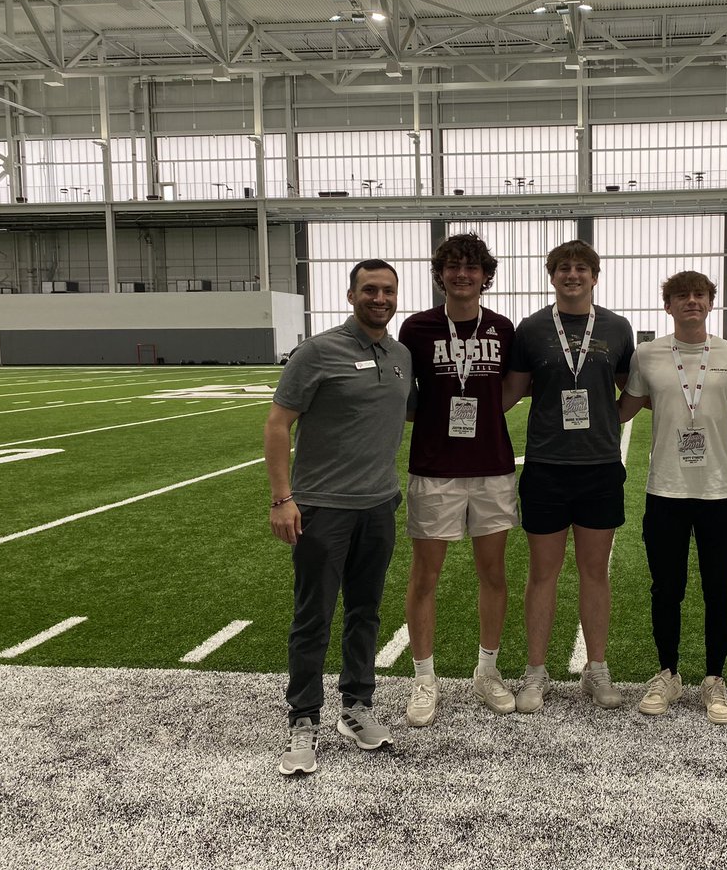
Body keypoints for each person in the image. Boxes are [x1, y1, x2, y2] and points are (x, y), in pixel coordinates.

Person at [265, 259, 412, 775]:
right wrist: (283, 499)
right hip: (322, 509)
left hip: (378, 505)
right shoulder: (318, 351)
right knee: (313, 617)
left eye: (388, 290)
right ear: (350, 295)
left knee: (365, 612)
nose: (380, 297)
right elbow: (279, 423)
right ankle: (303, 719)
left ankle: (356, 706)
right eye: (369, 289)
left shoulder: (400, 355)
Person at [618, 271, 727, 724]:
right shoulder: (647, 355)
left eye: (699, 295)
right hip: (665, 489)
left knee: (718, 589)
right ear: (668, 305)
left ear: (710, 302)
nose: (691, 302)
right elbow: (622, 409)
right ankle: (668, 673)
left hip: (718, 491)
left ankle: (714, 678)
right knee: (667, 588)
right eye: (681, 296)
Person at [504, 239, 635, 712]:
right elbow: (512, 393)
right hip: (546, 467)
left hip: (599, 467)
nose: (572, 275)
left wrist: (607, 419)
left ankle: (596, 668)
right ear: (551, 274)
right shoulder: (533, 328)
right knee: (543, 574)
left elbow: (631, 389)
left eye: (581, 268)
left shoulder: (618, 327)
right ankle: (535, 672)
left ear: (595, 276)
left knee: (593, 573)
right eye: (563, 268)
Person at [398, 233, 518, 726]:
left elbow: (511, 389)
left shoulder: (503, 327)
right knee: (425, 576)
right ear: (440, 273)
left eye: (471, 267)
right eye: (452, 265)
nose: (462, 274)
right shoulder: (417, 327)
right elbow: (404, 395)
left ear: (486, 276)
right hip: (435, 468)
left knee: (493, 573)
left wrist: (483, 414)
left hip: (491, 467)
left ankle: (486, 670)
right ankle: (424, 679)